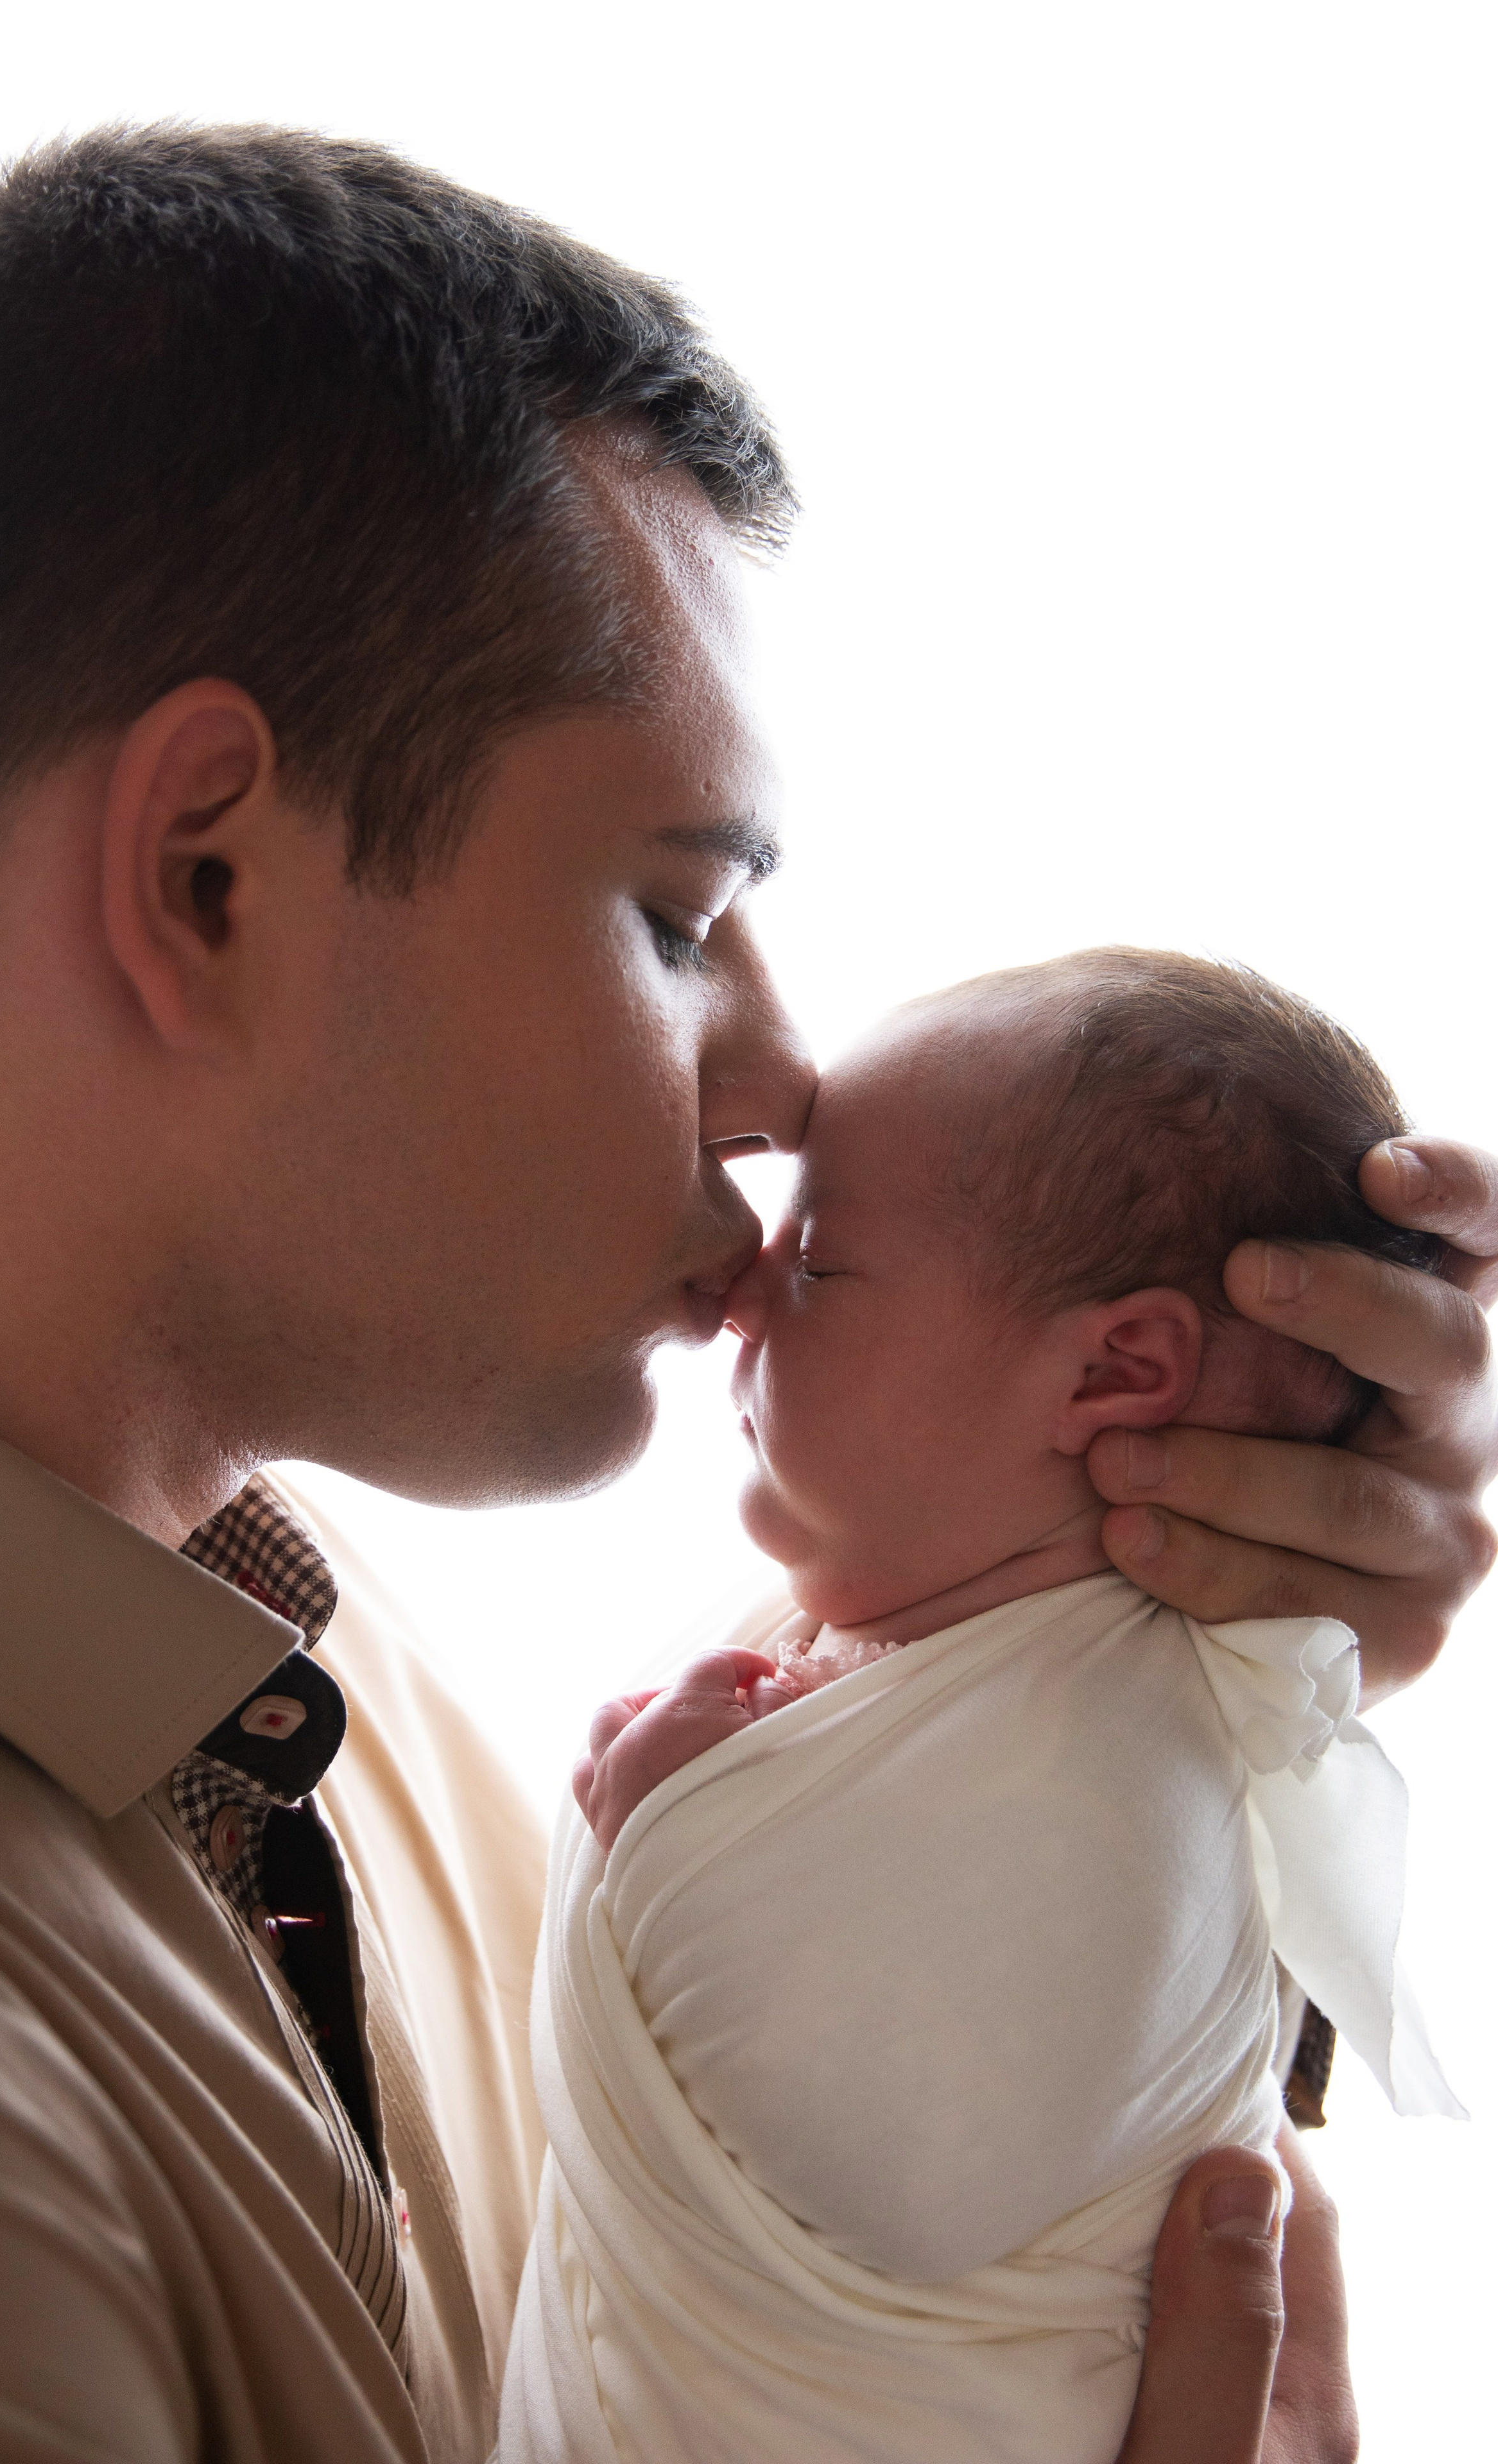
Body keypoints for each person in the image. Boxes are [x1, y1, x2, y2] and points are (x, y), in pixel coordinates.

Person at [0, 121, 1490, 2464]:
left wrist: (1173, 1693)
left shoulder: (343, 1712)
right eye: (672, 908)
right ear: (207, 879)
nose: (784, 1068)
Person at [517, 950, 1461, 2464]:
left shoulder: (1116, 1763)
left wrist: (682, 1834)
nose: (744, 1286)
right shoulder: (918, 1647)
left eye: (821, 1267)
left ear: (1115, 1371)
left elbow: (905, 2150)